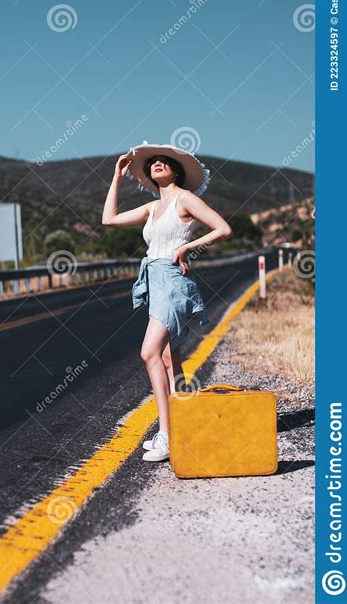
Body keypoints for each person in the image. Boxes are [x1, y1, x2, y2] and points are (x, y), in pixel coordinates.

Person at [102, 143, 233, 462]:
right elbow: (109, 219)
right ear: (149, 174)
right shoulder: (151, 208)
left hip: (173, 282)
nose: (157, 164)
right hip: (154, 279)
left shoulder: (185, 199)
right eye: (153, 163)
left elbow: (223, 229)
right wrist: (117, 177)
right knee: (167, 358)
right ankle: (183, 424)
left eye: (165, 162)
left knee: (148, 352)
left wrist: (189, 248)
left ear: (176, 171)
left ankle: (166, 434)